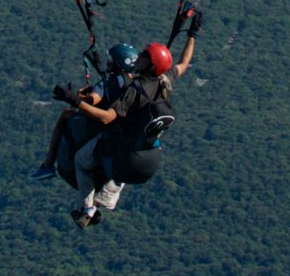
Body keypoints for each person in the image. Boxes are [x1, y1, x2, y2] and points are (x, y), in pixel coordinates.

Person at [71, 15, 201, 227]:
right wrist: (193, 34)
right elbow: (184, 62)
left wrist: (76, 102)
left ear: (150, 66)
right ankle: (106, 198)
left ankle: (86, 208)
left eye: (143, 56)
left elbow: (106, 117)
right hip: (150, 158)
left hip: (126, 154)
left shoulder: (135, 91)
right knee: (127, 152)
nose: (138, 57)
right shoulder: (164, 80)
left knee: (81, 160)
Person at [30, 41, 138, 181]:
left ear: (118, 63)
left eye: (111, 60)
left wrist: (75, 97)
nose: (108, 63)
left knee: (66, 114)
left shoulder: (109, 81)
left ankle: (48, 164)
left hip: (104, 125)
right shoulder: (136, 82)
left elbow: (92, 101)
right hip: (126, 129)